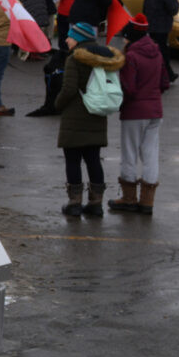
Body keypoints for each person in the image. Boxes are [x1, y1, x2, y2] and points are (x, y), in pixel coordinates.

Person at [55, 22, 125, 217]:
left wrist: (57, 104)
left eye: (70, 36)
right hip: (97, 114)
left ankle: (74, 204)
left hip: (75, 117)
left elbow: (69, 89)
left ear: (78, 38)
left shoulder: (75, 58)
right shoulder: (104, 57)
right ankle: (96, 204)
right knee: (93, 160)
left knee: (73, 160)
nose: (66, 40)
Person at [107, 15, 170, 215]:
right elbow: (165, 82)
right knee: (150, 154)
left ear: (131, 35)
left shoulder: (132, 56)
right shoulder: (157, 52)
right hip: (155, 111)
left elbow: (129, 88)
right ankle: (147, 201)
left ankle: (128, 198)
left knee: (129, 153)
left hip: (134, 112)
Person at [142, 0, 179, 81]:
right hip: (162, 29)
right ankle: (167, 75)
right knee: (163, 52)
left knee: (155, 51)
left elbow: (144, 10)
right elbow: (174, 10)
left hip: (151, 28)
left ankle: (164, 73)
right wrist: (175, 0)